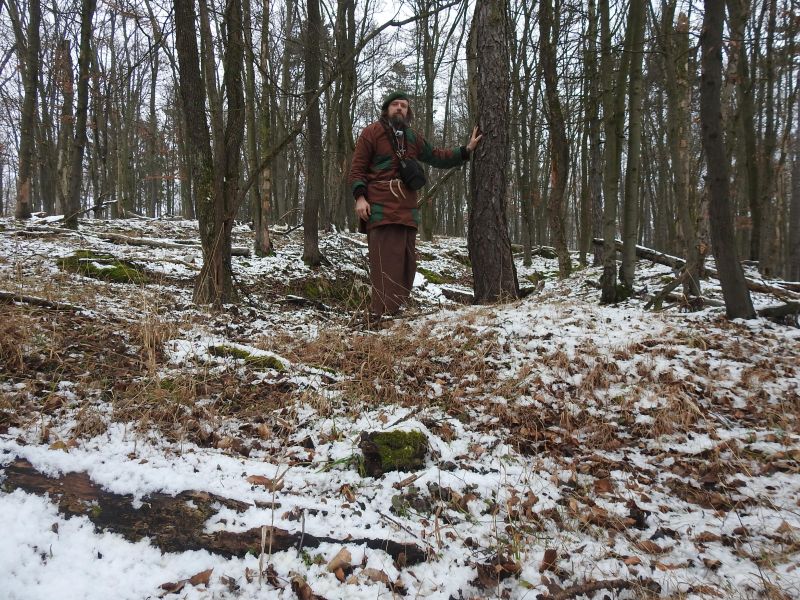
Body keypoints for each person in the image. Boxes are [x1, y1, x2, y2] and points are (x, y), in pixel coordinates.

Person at [349, 91, 481, 321]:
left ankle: (395, 308)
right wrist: (360, 197)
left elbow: (437, 156)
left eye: (404, 106)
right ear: (386, 109)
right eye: (395, 105)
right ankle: (381, 313)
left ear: (408, 112)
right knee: (383, 261)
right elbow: (357, 168)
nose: (400, 108)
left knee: (407, 263)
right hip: (380, 205)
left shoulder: (412, 137)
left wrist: (466, 150)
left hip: (406, 208)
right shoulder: (371, 132)